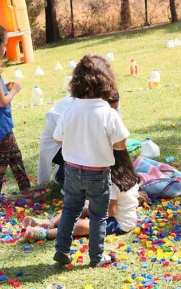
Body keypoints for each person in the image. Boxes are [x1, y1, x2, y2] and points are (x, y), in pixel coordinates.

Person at [52, 54, 129, 268]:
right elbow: (121, 143)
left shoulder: (71, 109)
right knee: (98, 214)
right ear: (107, 83)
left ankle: (62, 249)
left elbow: (57, 137)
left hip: (72, 170)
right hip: (98, 172)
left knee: (70, 209)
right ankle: (96, 256)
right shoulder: (107, 112)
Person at [0, 22, 49, 207]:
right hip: (0, 122)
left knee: (15, 156)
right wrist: (14, 89)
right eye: (4, 44)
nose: (6, 48)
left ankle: (27, 192)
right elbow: (3, 102)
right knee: (2, 160)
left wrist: (0, 86)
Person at [24, 149, 146, 242]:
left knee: (82, 225)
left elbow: (111, 211)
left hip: (119, 222)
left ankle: (46, 233)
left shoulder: (113, 183)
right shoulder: (128, 176)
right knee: (79, 207)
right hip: (113, 213)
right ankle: (50, 223)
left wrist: (91, 210)